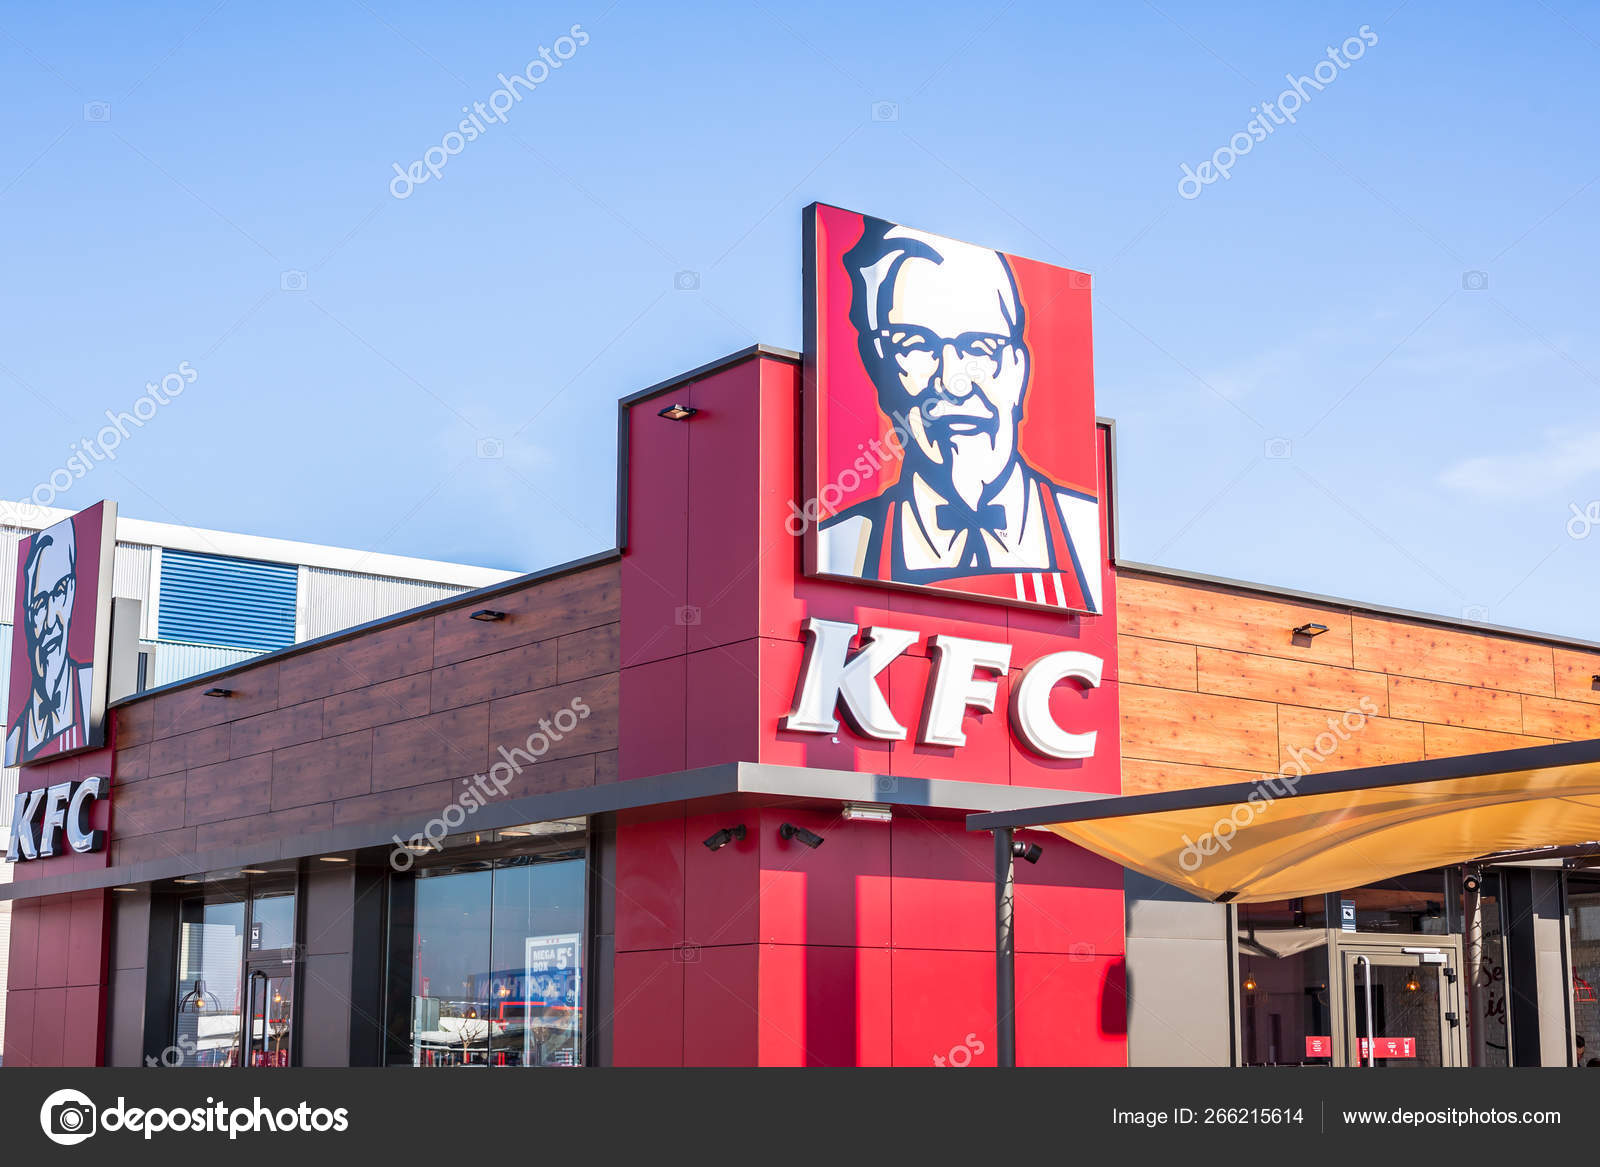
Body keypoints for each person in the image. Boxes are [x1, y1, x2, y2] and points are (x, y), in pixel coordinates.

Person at [818, 216, 1101, 612]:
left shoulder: (1088, 536)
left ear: (1019, 368)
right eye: (916, 344)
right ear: (880, 368)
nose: (954, 381)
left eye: (981, 347)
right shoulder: (841, 547)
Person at [5, 517, 94, 765]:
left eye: (59, 592)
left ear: (73, 591)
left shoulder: (91, 697)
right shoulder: (15, 743)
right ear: (28, 615)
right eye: (40, 602)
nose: (50, 622)